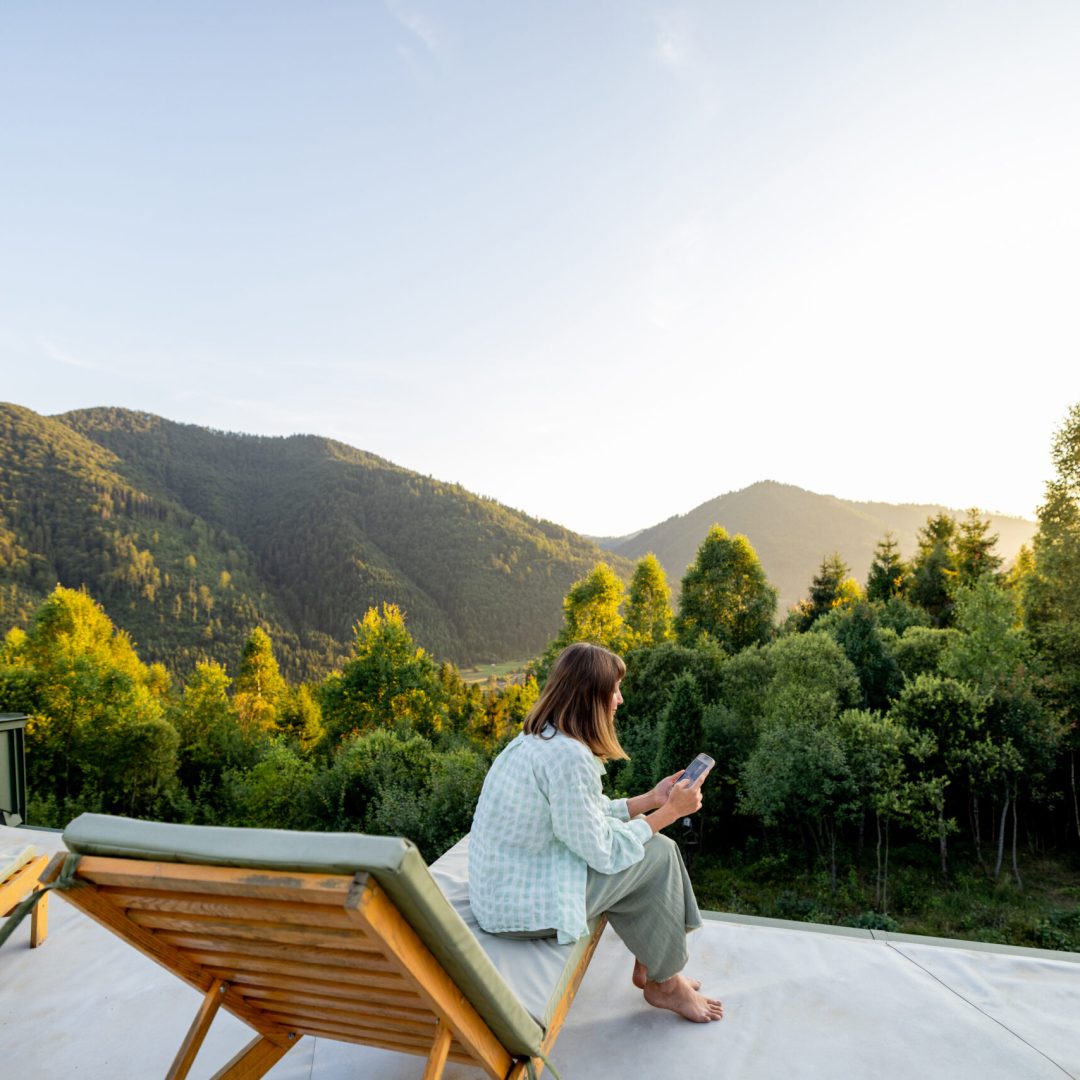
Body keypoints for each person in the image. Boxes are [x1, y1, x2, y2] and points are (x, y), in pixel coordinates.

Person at [468, 641, 723, 1023]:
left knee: (649, 846)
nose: (619, 700)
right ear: (591, 698)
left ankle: (655, 967)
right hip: (525, 911)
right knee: (660, 852)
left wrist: (650, 799)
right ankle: (665, 984)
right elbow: (603, 851)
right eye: (614, 691)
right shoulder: (570, 758)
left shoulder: (537, 739)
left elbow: (580, 817)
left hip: (504, 893)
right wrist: (669, 812)